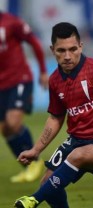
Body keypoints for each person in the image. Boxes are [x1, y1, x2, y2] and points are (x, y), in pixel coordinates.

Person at [13, 22, 93, 208]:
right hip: (77, 140)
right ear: (52, 49)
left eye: (72, 49)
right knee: (48, 183)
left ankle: (33, 200)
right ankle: (42, 195)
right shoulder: (55, 80)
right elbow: (55, 118)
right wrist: (36, 150)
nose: (68, 56)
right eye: (61, 51)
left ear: (81, 46)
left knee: (77, 156)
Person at [0, 11, 48, 183]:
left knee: (13, 122)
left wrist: (43, 71)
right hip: (1, 85)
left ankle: (35, 161)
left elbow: (34, 43)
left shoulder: (12, 22)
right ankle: (28, 166)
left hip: (19, 79)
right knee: (5, 129)